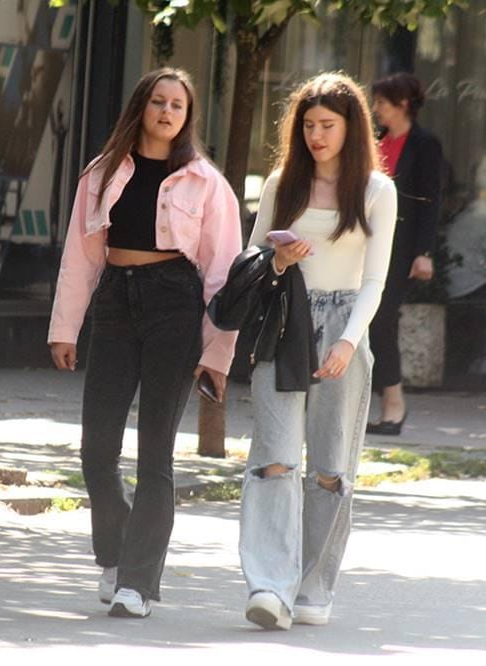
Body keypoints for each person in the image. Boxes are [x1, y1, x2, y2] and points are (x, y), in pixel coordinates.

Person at [48, 68, 242, 618]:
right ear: (142, 106)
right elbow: (80, 257)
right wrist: (64, 328)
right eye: (158, 101)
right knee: (96, 451)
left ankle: (137, 583)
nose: (166, 112)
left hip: (175, 305)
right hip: (115, 302)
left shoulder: (206, 183)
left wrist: (217, 353)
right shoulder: (102, 172)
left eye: (177, 105)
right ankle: (115, 555)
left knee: (156, 453)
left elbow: (222, 274)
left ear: (187, 116)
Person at [240, 73, 397, 629]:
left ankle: (312, 586)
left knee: (330, 469)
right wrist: (279, 260)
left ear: (351, 127)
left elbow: (375, 281)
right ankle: (270, 586)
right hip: (287, 320)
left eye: (327, 125)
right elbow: (252, 255)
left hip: (346, 323)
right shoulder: (282, 183)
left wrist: (349, 342)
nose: (316, 136)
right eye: (308, 125)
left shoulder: (377, 190)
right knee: (274, 459)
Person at [367, 72, 444, 435]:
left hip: (401, 249)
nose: (376, 109)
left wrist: (424, 252)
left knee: (380, 320)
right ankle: (383, 405)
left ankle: (394, 403)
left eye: (382, 102)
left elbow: (431, 201)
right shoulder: (376, 140)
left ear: (402, 104)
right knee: (374, 322)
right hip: (368, 243)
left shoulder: (425, 145)